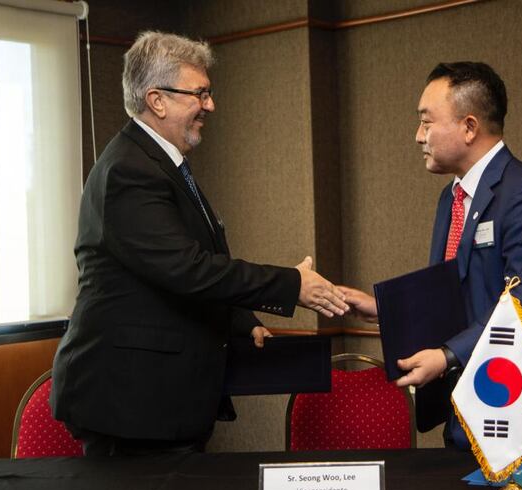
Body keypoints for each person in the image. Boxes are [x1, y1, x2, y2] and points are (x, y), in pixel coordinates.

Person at [50, 31, 348, 457]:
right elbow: (185, 268)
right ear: (157, 100)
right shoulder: (130, 172)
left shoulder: (158, 163)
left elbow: (184, 272)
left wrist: (241, 321)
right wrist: (291, 284)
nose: (210, 105)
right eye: (200, 93)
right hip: (130, 402)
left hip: (157, 401)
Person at [340, 62, 522, 466]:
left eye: (426, 122)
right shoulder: (451, 198)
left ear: (469, 127)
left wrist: (447, 355)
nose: (418, 136)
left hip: (517, 409)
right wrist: (385, 311)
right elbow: (452, 295)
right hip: (462, 406)